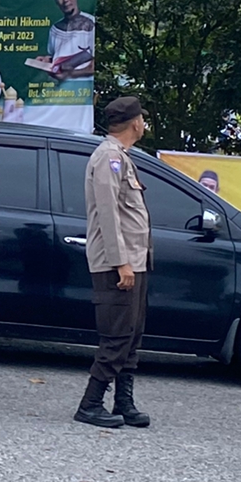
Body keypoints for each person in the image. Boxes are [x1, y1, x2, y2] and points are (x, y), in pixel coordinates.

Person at [77, 96, 154, 429]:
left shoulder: (122, 157)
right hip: (116, 264)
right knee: (117, 336)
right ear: (135, 123)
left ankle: (123, 401)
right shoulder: (109, 157)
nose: (144, 124)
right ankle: (90, 403)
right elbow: (108, 214)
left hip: (134, 262)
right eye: (142, 119)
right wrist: (121, 262)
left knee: (132, 335)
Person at [45, 0, 95, 81]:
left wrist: (71, 74)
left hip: (82, 93)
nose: (65, 0)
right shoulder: (55, 29)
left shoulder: (91, 24)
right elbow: (56, 59)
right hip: (58, 94)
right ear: (56, 0)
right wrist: (45, 61)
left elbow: (94, 66)